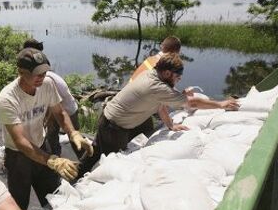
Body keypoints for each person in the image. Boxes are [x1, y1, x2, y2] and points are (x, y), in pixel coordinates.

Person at [79, 53, 240, 176]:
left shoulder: (152, 74)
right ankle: (80, 178)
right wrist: (220, 104)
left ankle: (77, 171)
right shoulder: (156, 86)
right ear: (168, 73)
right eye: (177, 77)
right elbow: (192, 103)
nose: (178, 81)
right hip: (113, 128)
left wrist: (170, 125)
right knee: (109, 161)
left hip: (112, 120)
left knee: (95, 153)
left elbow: (160, 105)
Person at [0, 47, 93, 210]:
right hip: (18, 157)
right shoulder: (8, 98)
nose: (41, 77)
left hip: (41, 145)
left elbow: (59, 112)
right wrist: (53, 160)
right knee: (18, 206)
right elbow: (20, 142)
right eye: (36, 74)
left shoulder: (47, 84)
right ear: (21, 71)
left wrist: (73, 133)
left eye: (44, 72)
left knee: (55, 197)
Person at [22, 39, 80, 157]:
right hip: (58, 107)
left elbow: (53, 105)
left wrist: (45, 120)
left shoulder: (45, 80)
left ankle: (84, 164)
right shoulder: (41, 75)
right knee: (52, 137)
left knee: (75, 141)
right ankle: (55, 160)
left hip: (67, 109)